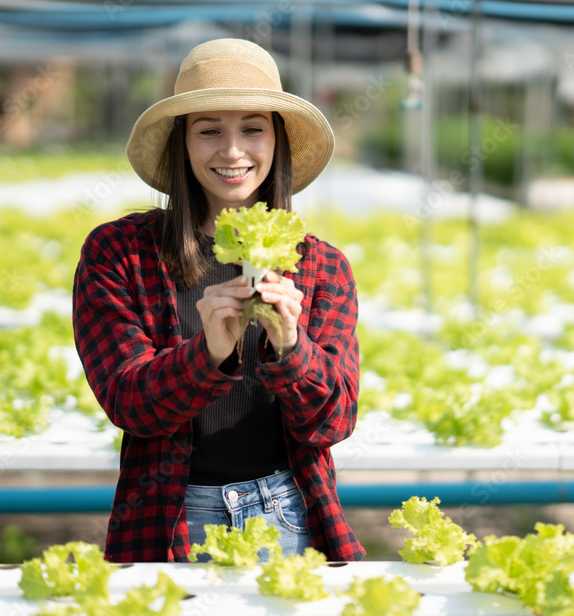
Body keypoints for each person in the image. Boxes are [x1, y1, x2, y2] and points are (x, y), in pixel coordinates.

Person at [72, 38, 364, 563]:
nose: (232, 151)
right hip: (172, 516)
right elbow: (129, 404)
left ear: (277, 142)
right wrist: (204, 355)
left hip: (289, 512)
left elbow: (332, 421)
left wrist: (293, 348)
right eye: (209, 131)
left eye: (252, 128)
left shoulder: (322, 266)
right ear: (182, 144)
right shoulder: (120, 254)